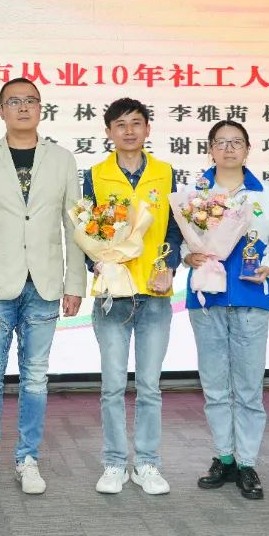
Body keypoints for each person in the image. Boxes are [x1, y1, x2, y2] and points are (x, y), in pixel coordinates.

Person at [0, 78, 86, 496]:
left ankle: (28, 459)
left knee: (35, 378)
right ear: (1, 110)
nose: (23, 107)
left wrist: (75, 282)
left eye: (31, 100)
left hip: (45, 285)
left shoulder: (62, 159)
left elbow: (75, 226)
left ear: (41, 108)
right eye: (14, 101)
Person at [183, 120, 269, 500]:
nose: (228, 149)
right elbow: (181, 241)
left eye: (236, 142)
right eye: (221, 142)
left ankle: (247, 462)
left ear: (247, 149)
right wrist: (189, 255)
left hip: (251, 297)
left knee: (248, 388)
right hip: (206, 299)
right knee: (214, 386)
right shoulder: (193, 193)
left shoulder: (268, 193)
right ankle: (224, 457)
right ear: (210, 149)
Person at [81, 98, 180, 496]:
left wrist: (170, 265)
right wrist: (95, 263)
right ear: (108, 132)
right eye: (120, 124)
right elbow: (85, 228)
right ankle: (114, 463)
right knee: (112, 386)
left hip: (155, 293)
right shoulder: (95, 175)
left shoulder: (165, 172)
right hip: (113, 294)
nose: (128, 131)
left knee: (150, 386)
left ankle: (147, 463)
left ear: (147, 129)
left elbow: (175, 229)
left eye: (136, 123)